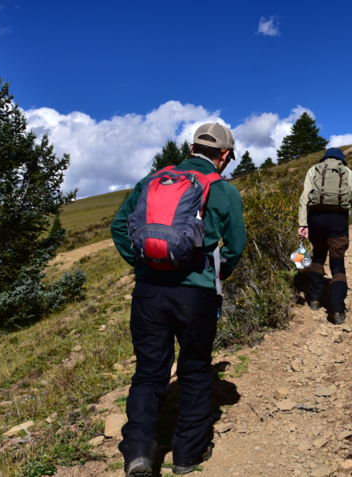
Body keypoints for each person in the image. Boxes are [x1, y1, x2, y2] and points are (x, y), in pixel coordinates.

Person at [110, 123, 247, 476]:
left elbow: (119, 225)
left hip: (148, 292)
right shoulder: (223, 190)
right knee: (196, 369)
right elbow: (236, 245)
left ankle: (139, 451)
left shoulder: (153, 181)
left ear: (191, 147)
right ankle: (187, 455)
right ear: (225, 155)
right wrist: (217, 275)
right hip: (196, 292)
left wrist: (143, 264)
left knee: (148, 373)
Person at [297, 148, 352, 324]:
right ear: (342, 159)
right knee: (337, 262)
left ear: (324, 158)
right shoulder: (347, 172)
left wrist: (303, 223)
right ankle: (336, 309)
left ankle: (315, 299)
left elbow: (304, 199)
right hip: (338, 220)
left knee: (318, 254)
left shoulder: (314, 170)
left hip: (315, 219)